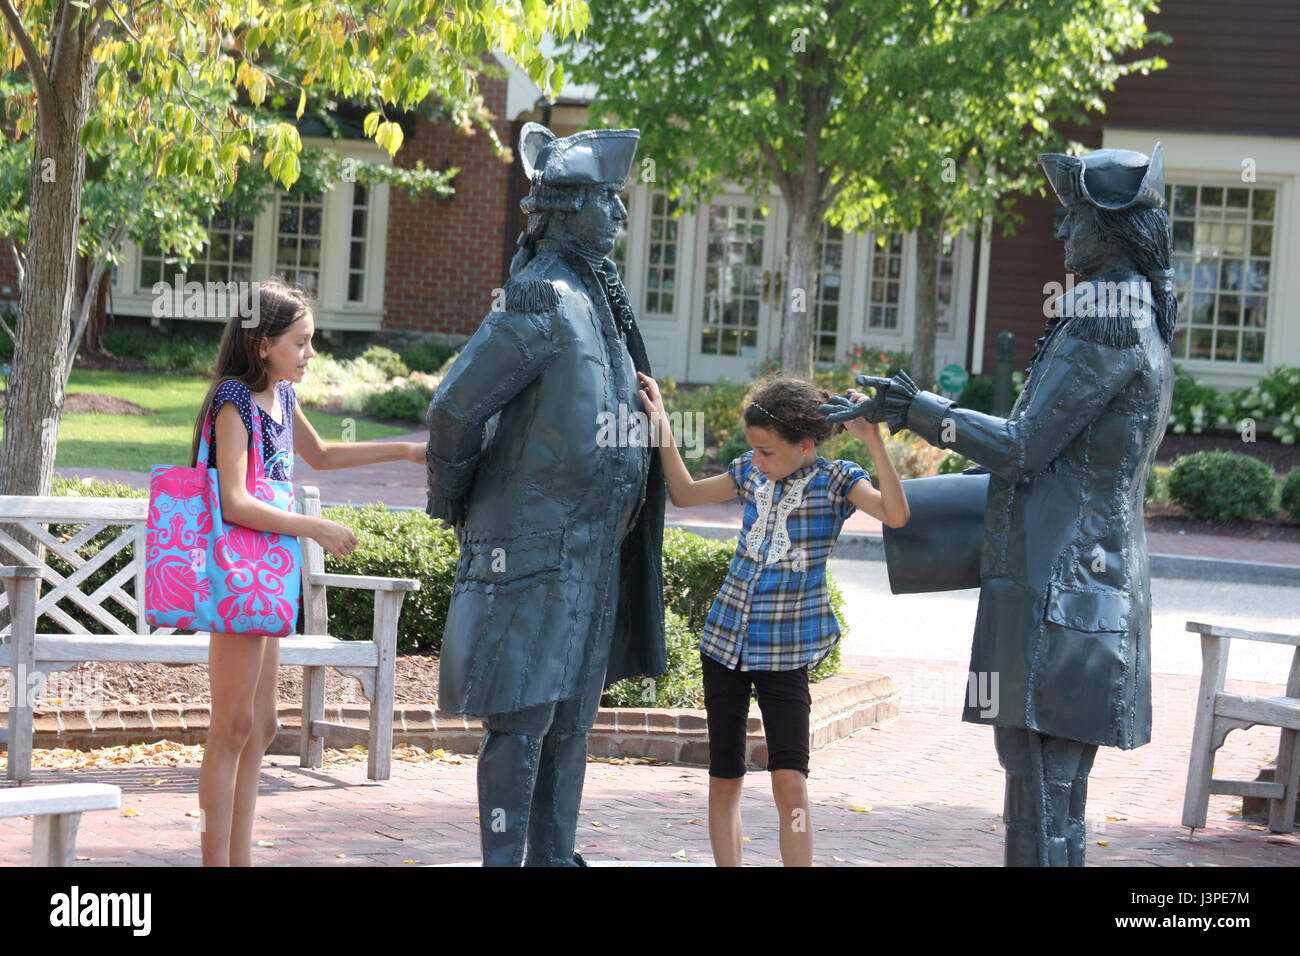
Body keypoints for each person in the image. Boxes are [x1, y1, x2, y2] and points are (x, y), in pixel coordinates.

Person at [824, 143, 1175, 866]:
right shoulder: (1135, 313)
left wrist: (918, 409)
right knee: (1053, 788)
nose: (1059, 231)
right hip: (1089, 587)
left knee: (1039, 786)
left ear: (1110, 231)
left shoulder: (1103, 320)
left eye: (1071, 216)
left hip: (1060, 593)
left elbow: (1021, 448)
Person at [424, 123, 666, 866]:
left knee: (568, 726)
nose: (621, 217)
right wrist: (454, 501)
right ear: (565, 209)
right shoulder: (541, 298)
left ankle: (554, 859)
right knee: (524, 724)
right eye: (607, 201)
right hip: (537, 550)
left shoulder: (599, 304)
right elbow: (454, 409)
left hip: (590, 555)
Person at [191, 278, 427, 866]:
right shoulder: (232, 401)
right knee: (233, 726)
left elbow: (321, 456)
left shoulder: (283, 398)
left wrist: (403, 449)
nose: (310, 353)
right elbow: (236, 502)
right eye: (301, 342)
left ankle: (238, 860)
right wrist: (315, 528)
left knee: (263, 724)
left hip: (266, 575)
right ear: (264, 343)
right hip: (237, 573)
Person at [637, 374, 909, 866]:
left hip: (785, 652)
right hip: (724, 642)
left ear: (805, 445)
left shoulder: (838, 480)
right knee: (725, 777)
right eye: (754, 451)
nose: (757, 461)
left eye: (766, 451)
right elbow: (683, 492)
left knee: (790, 780)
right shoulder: (749, 473)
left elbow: (896, 514)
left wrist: (874, 442)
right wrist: (661, 423)